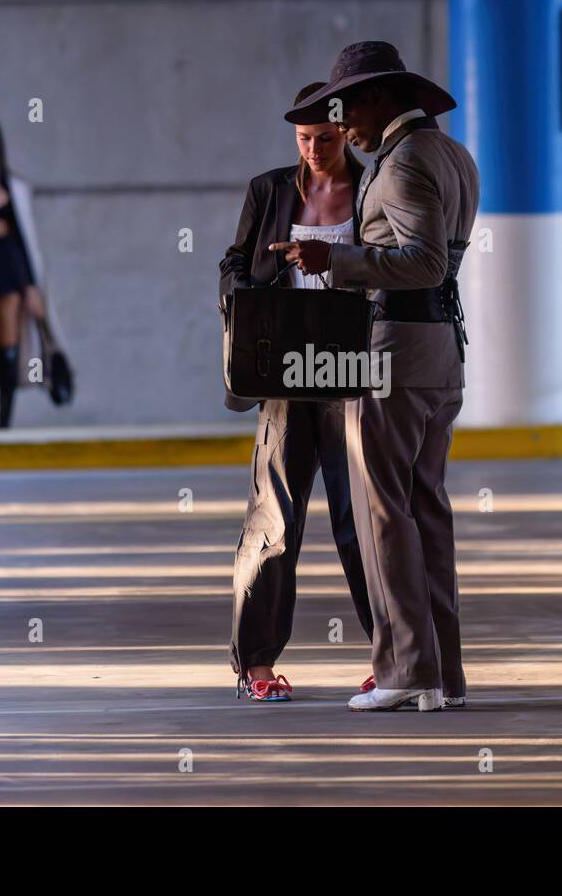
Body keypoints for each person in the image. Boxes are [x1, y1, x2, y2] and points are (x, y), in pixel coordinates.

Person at [272, 41, 480, 712]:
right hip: (441, 349)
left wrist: (334, 260)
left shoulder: (405, 162)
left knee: (382, 512)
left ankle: (403, 671)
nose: (343, 126)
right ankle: (442, 674)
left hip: (393, 348)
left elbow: (421, 264)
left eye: (348, 107)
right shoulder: (454, 155)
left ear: (382, 97)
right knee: (426, 509)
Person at [219, 82, 375, 702]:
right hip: (283, 370)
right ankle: (256, 666)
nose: (315, 150)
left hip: (348, 371)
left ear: (346, 134)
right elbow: (232, 262)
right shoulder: (270, 190)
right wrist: (249, 297)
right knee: (274, 519)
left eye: (327, 139)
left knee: (360, 520)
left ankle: (390, 656)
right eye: (305, 139)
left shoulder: (371, 189)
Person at [0, 116, 56, 429]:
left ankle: (4, 419)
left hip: (7, 268)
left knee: (8, 344)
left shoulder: (13, 188)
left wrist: (31, 286)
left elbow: (23, 240)